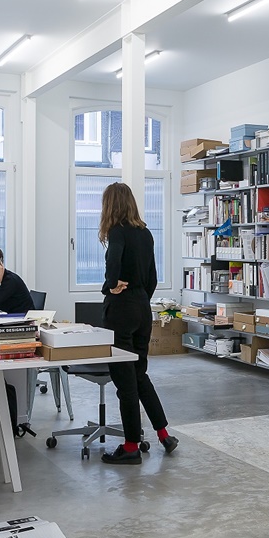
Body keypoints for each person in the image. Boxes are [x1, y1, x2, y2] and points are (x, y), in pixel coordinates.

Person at [97, 182, 179, 465]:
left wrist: (111, 286)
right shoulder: (145, 233)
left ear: (110, 205)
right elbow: (153, 277)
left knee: (125, 383)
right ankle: (164, 434)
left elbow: (113, 264)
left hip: (121, 310)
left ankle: (131, 447)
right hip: (143, 307)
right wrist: (140, 298)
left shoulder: (117, 231)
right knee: (140, 374)